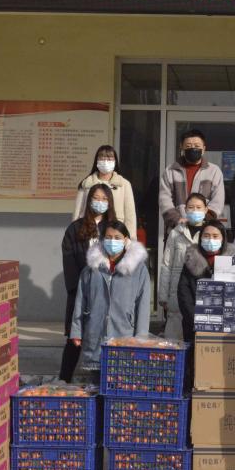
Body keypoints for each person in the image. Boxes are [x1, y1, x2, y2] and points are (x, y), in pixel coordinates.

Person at [68, 221, 151, 379]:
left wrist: (141, 337)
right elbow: (80, 301)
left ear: (126, 240)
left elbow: (143, 304)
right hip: (96, 334)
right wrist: (76, 331)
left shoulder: (138, 270)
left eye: (117, 238)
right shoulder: (91, 268)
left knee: (121, 383)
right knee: (97, 382)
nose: (112, 241)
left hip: (124, 334)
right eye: (108, 237)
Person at [59, 183, 116, 382]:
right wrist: (77, 289)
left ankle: (103, 382)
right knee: (75, 338)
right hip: (81, 292)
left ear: (110, 202)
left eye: (104, 199)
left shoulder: (114, 228)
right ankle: (64, 380)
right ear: (89, 200)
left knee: (106, 338)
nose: (100, 202)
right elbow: (69, 260)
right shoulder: (75, 229)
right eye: (96, 198)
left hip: (107, 292)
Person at [177, 219, 235, 386]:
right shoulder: (191, 260)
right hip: (194, 325)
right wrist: (197, 320)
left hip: (225, 326)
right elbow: (183, 293)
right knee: (196, 365)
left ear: (223, 239)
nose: (210, 240)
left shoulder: (233, 262)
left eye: (215, 236)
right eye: (206, 235)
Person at [158, 193, 214, 341]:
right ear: (185, 210)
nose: (195, 211)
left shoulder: (209, 234)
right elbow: (166, 264)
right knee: (174, 340)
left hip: (200, 293)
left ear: (206, 210)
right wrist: (163, 296)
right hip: (176, 294)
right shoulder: (176, 233)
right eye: (191, 207)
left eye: (199, 207)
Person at [159, 128, 225, 237]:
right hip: (176, 232)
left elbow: (217, 202)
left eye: (197, 146)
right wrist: (178, 220)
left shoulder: (214, 171)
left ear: (204, 149)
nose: (193, 149)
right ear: (182, 147)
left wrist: (202, 222)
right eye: (188, 146)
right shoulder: (170, 171)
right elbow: (164, 200)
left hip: (204, 233)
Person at [73, 144, 137, 235]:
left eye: (109, 158)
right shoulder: (86, 183)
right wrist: (75, 233)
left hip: (115, 233)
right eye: (102, 158)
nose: (105, 161)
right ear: (96, 161)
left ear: (115, 161)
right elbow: (78, 211)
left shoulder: (124, 184)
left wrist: (130, 237)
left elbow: (130, 215)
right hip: (89, 231)